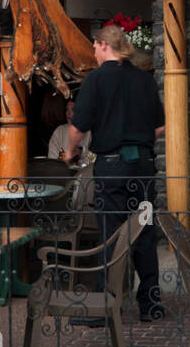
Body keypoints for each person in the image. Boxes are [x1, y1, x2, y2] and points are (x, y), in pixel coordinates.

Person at [66, 23, 164, 322]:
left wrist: (71, 152)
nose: (93, 53)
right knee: (145, 234)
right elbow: (160, 127)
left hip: (111, 166)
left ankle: (105, 308)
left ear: (103, 45)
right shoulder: (145, 81)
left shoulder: (94, 81)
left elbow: (78, 127)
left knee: (110, 235)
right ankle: (151, 306)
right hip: (143, 167)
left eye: (94, 47)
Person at [47, 98, 91, 163]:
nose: (68, 113)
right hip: (62, 172)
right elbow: (52, 159)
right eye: (67, 109)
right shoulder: (60, 131)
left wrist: (81, 152)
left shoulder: (90, 132)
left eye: (73, 109)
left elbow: (94, 159)